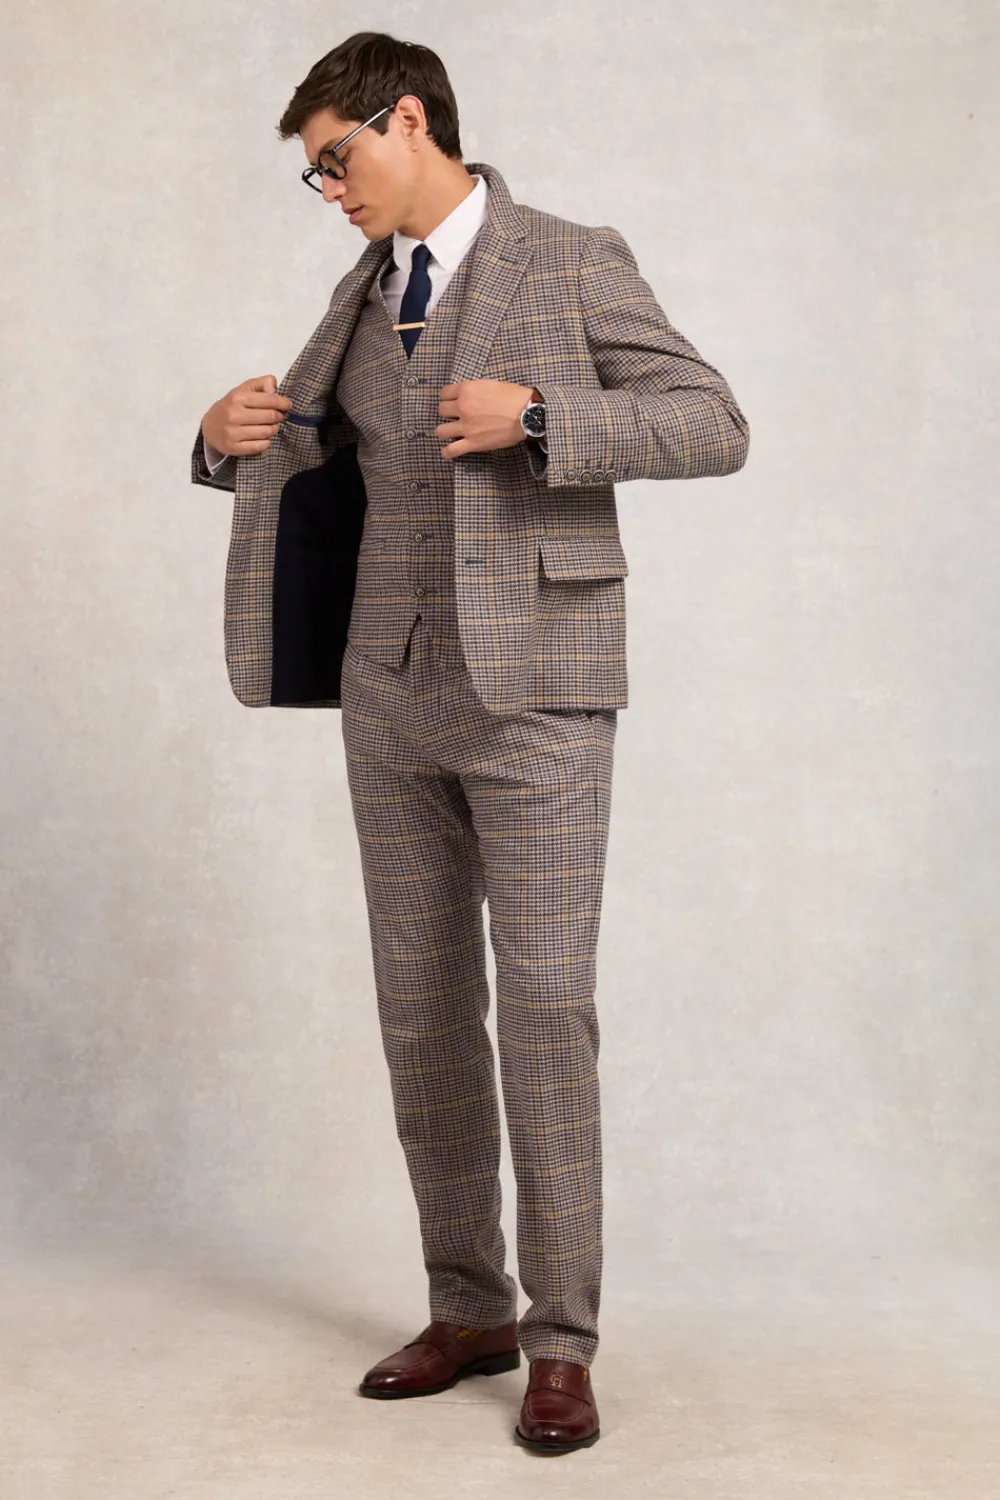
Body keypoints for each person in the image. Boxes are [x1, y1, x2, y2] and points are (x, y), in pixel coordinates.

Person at [192, 30, 749, 1455]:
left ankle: (562, 1342)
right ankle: (468, 1307)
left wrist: (544, 416)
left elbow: (712, 422)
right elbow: (316, 449)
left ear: (409, 117)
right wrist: (218, 436)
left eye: (337, 160)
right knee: (424, 1011)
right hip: (389, 695)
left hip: (540, 693)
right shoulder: (364, 290)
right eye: (314, 175)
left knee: (546, 1010)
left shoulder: (569, 258)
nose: (329, 190)